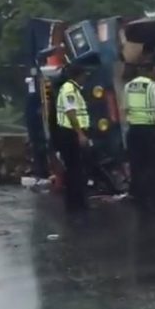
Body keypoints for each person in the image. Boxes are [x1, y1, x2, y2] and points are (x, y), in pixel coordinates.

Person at [123, 57, 155, 214]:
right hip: (150, 132)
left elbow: (125, 109)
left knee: (137, 167)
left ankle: (141, 201)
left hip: (134, 131)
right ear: (151, 71)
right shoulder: (154, 88)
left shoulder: (128, 87)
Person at [55, 63, 92, 211]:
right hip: (70, 133)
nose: (85, 78)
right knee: (74, 169)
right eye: (84, 75)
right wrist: (80, 134)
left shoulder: (73, 89)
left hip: (70, 133)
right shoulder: (69, 90)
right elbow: (71, 113)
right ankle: (76, 204)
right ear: (79, 75)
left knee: (74, 169)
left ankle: (76, 202)